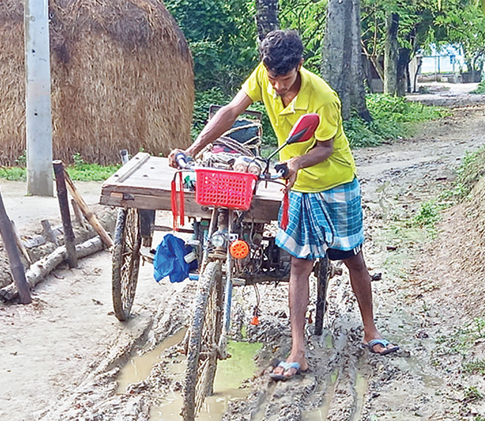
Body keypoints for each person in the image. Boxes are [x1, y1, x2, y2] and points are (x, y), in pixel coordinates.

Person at [169, 29, 398, 381]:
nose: (276, 86)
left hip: (335, 183)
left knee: (354, 259)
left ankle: (371, 331)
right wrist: (192, 149)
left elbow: (326, 149)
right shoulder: (265, 75)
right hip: (299, 189)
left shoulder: (322, 97)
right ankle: (297, 352)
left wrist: (295, 163)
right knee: (299, 265)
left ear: (300, 66)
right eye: (272, 78)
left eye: (284, 78)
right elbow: (231, 110)